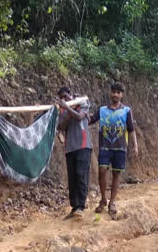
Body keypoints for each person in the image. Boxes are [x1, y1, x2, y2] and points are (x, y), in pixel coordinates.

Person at [87, 82, 138, 217]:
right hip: (105, 147)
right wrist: (82, 112)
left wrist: (135, 146)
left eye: (118, 92)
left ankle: (112, 202)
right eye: (113, 92)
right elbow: (90, 120)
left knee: (116, 174)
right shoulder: (102, 110)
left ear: (122, 95)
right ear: (110, 93)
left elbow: (131, 130)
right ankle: (103, 199)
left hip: (120, 148)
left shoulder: (127, 111)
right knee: (102, 171)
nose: (115, 94)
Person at [57, 86, 91, 219]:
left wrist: (67, 108)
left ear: (71, 95)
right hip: (70, 147)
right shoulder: (63, 110)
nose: (64, 100)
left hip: (83, 146)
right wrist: (66, 110)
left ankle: (81, 207)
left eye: (66, 96)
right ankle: (74, 207)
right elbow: (60, 126)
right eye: (61, 98)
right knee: (72, 179)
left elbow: (79, 117)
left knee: (81, 175)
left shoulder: (83, 102)